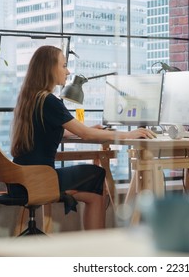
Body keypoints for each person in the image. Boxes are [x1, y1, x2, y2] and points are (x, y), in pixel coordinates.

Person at [10, 45, 156, 230]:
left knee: (93, 193)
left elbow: (47, 131)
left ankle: (94, 246)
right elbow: (85, 134)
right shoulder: (49, 100)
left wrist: (83, 129)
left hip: (22, 178)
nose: (68, 71)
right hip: (40, 180)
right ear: (49, 68)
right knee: (96, 175)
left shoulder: (31, 98)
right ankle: (95, 250)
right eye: (63, 66)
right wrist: (128, 134)